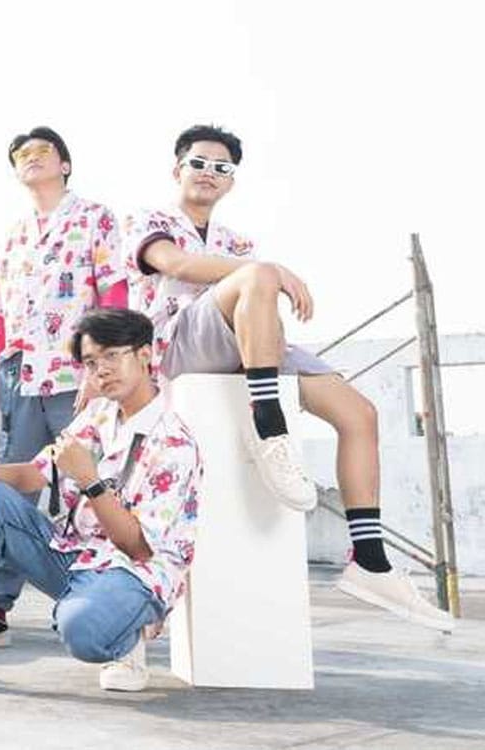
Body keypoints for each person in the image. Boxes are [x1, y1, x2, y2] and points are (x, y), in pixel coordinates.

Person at [124, 123, 452, 631]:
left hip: (241, 344)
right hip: (178, 342)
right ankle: (269, 423)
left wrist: (265, 292)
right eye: (198, 163)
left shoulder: (238, 241)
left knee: (359, 414)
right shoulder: (149, 220)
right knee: (257, 276)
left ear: (232, 180)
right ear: (177, 170)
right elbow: (179, 265)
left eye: (221, 167)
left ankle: (370, 560)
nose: (209, 173)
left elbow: (260, 306)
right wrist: (269, 270)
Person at [0, 308, 201, 692]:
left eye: (112, 355)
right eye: (91, 363)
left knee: (83, 629)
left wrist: (90, 481)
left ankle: (128, 630)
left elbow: (139, 547)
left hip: (134, 573)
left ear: (145, 355)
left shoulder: (174, 442)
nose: (102, 371)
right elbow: (36, 472)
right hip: (76, 557)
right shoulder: (99, 415)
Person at [0, 126, 128, 646]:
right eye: (21, 156)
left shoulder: (95, 217)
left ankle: (107, 598)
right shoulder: (14, 236)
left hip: (78, 379)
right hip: (22, 379)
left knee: (91, 483)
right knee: (10, 490)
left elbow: (114, 295)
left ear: (65, 164)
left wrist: (101, 369)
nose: (31, 159)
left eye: (41, 151)